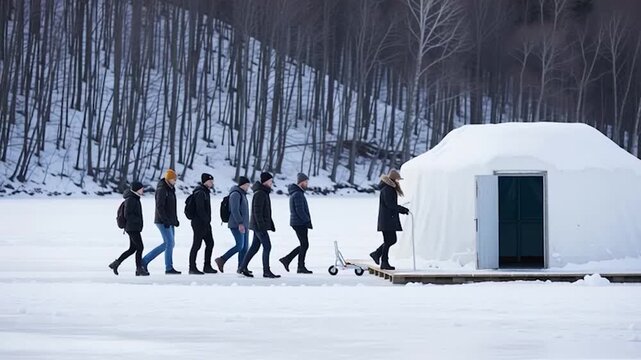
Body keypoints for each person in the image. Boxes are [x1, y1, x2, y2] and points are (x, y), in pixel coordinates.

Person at [238, 172, 280, 278]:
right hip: (259, 226)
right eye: (270, 181)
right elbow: (257, 212)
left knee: (254, 247)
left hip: (258, 225)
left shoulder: (263, 192)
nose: (271, 183)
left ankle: (242, 267)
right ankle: (266, 271)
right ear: (265, 181)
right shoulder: (260, 193)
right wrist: (261, 226)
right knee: (267, 246)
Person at [142, 169, 181, 275]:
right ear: (168, 179)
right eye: (174, 179)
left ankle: (145, 261)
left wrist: (175, 220)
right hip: (162, 221)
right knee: (169, 243)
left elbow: (172, 207)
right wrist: (165, 220)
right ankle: (168, 268)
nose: (175, 181)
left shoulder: (171, 189)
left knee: (169, 244)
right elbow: (160, 206)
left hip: (169, 220)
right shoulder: (162, 189)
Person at [370, 169, 409, 270]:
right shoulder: (388, 189)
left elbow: (390, 204)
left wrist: (400, 208)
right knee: (390, 240)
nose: (398, 182)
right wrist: (401, 209)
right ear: (393, 179)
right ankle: (383, 261)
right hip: (387, 219)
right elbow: (390, 204)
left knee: (390, 240)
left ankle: (377, 254)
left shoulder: (388, 188)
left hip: (387, 219)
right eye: (397, 180)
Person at [109, 182, 150, 276]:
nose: (142, 190)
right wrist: (137, 221)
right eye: (141, 188)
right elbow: (127, 214)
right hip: (132, 228)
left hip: (133, 227)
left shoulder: (135, 198)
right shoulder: (131, 199)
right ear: (136, 189)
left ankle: (116, 263)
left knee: (132, 249)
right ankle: (139, 269)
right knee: (140, 247)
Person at [215, 176, 251, 273]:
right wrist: (240, 223)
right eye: (247, 185)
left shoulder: (242, 194)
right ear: (242, 185)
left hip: (245, 225)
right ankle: (222, 259)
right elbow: (234, 210)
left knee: (245, 247)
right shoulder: (235, 194)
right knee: (239, 245)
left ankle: (242, 267)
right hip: (236, 225)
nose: (248, 187)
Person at [279, 173, 313, 274]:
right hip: (299, 223)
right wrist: (306, 220)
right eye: (306, 182)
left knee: (304, 244)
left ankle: (288, 260)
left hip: (298, 222)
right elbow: (300, 211)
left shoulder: (298, 192)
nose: (307, 184)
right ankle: (299, 266)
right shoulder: (298, 194)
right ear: (301, 182)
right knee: (304, 244)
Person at [189, 173, 217, 275]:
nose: (212, 183)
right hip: (199, 223)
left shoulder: (205, 192)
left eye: (212, 181)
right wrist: (205, 220)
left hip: (205, 223)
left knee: (210, 243)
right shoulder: (200, 192)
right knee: (196, 245)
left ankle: (207, 266)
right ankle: (192, 267)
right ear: (205, 181)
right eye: (210, 181)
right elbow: (200, 209)